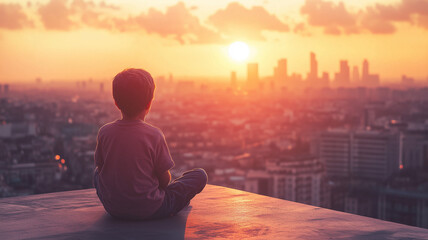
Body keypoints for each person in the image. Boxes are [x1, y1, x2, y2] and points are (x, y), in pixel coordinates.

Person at [93, 68, 207, 220]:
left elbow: (100, 169)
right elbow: (165, 180)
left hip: (114, 208)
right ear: (149, 103)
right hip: (152, 209)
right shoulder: (154, 135)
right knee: (200, 175)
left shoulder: (104, 132)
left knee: (95, 174)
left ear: (116, 102)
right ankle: (178, 200)